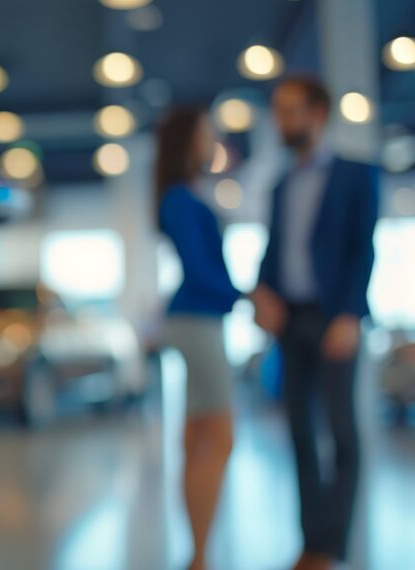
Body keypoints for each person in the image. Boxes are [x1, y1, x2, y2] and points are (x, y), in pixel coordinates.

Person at [252, 76, 379, 570]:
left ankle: (331, 544)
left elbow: (362, 249)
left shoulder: (355, 175)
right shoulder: (281, 186)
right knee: (300, 433)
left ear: (318, 113)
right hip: (291, 320)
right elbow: (274, 252)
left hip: (334, 318)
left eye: (290, 111)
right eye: (278, 111)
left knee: (342, 432)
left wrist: (350, 313)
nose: (282, 121)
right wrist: (262, 291)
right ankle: (311, 544)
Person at [156, 106, 240, 570]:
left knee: (196, 439)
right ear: (189, 139)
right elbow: (202, 270)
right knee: (220, 436)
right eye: (208, 133)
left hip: (194, 320)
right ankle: (200, 557)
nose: (214, 141)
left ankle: (198, 555)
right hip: (197, 322)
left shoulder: (183, 195)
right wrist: (246, 296)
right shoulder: (180, 199)